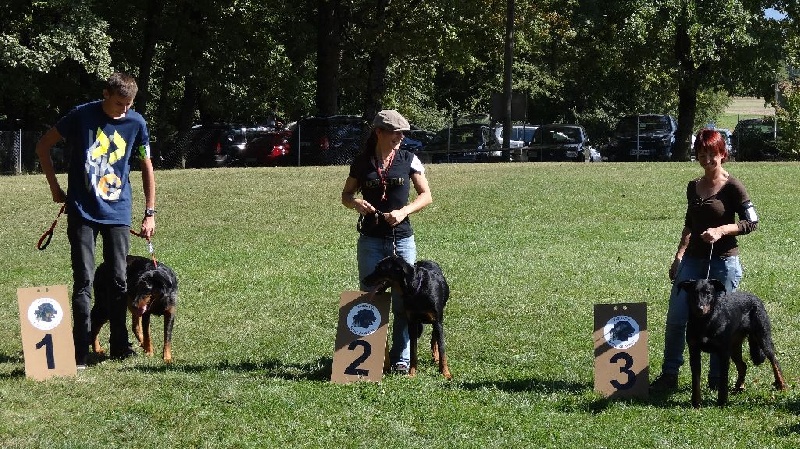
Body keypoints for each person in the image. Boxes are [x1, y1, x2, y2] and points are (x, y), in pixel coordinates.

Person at [35, 72, 156, 367]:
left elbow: (146, 165)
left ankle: (119, 345)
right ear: (106, 94)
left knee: (118, 279)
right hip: (82, 211)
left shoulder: (136, 123)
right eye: (118, 103)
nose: (124, 110)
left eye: (129, 104)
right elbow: (42, 146)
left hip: (118, 212)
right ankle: (79, 350)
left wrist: (149, 212)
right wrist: (55, 188)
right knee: (84, 280)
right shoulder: (81, 115)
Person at [650, 128, 759, 390]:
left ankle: (716, 380)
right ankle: (670, 375)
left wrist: (722, 230)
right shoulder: (693, 186)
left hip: (724, 263)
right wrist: (678, 257)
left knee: (719, 323)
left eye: (712, 153)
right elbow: (689, 225)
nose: (707, 159)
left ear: (722, 154)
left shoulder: (733, 186)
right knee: (676, 318)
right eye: (701, 154)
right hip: (693, 261)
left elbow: (752, 222)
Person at [341, 109, 433, 373]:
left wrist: (404, 211)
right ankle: (368, 362)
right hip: (371, 240)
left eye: (402, 134)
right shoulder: (361, 162)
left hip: (402, 239)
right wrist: (355, 203)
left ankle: (402, 358)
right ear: (379, 132)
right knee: (370, 296)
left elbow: (426, 195)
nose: (400, 138)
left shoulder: (409, 159)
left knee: (404, 300)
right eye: (395, 133)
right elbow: (346, 195)